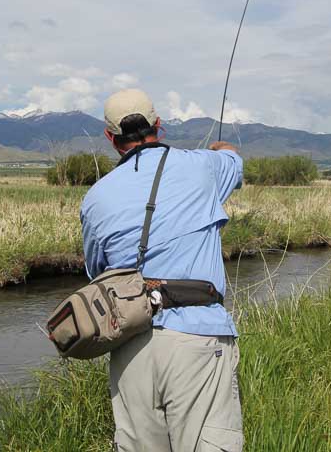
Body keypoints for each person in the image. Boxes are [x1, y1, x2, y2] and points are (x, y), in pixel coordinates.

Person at [81, 88, 244, 452]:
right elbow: (235, 162)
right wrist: (220, 150)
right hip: (198, 339)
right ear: (160, 126)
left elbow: (97, 274)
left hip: (130, 344)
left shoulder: (96, 197)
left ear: (111, 138)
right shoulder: (203, 166)